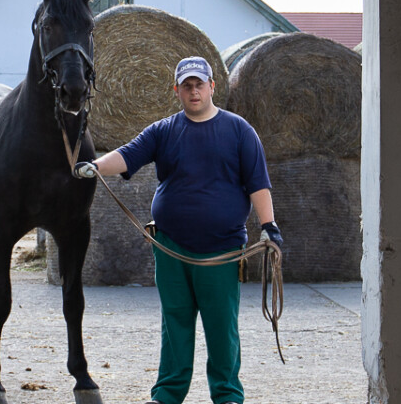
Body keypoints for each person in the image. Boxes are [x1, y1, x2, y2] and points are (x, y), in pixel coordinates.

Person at [72, 56, 284, 404]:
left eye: (199, 84)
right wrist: (93, 167)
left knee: (221, 326)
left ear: (212, 87)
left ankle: (228, 395)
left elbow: (258, 183)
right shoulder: (164, 130)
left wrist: (269, 226)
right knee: (175, 323)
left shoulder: (239, 131)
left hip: (221, 250)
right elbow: (127, 155)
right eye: (187, 85)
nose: (194, 91)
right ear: (177, 91)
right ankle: (168, 394)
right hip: (171, 247)